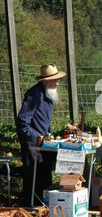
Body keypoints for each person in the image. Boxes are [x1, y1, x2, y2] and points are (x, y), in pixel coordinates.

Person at [16, 64, 66, 206]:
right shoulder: (34, 94)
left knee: (44, 175)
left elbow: (42, 121)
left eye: (58, 80)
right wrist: (36, 137)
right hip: (32, 144)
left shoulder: (47, 93)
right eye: (54, 80)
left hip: (43, 143)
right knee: (33, 177)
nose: (57, 83)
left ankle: (44, 208)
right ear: (45, 80)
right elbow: (22, 122)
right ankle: (30, 208)